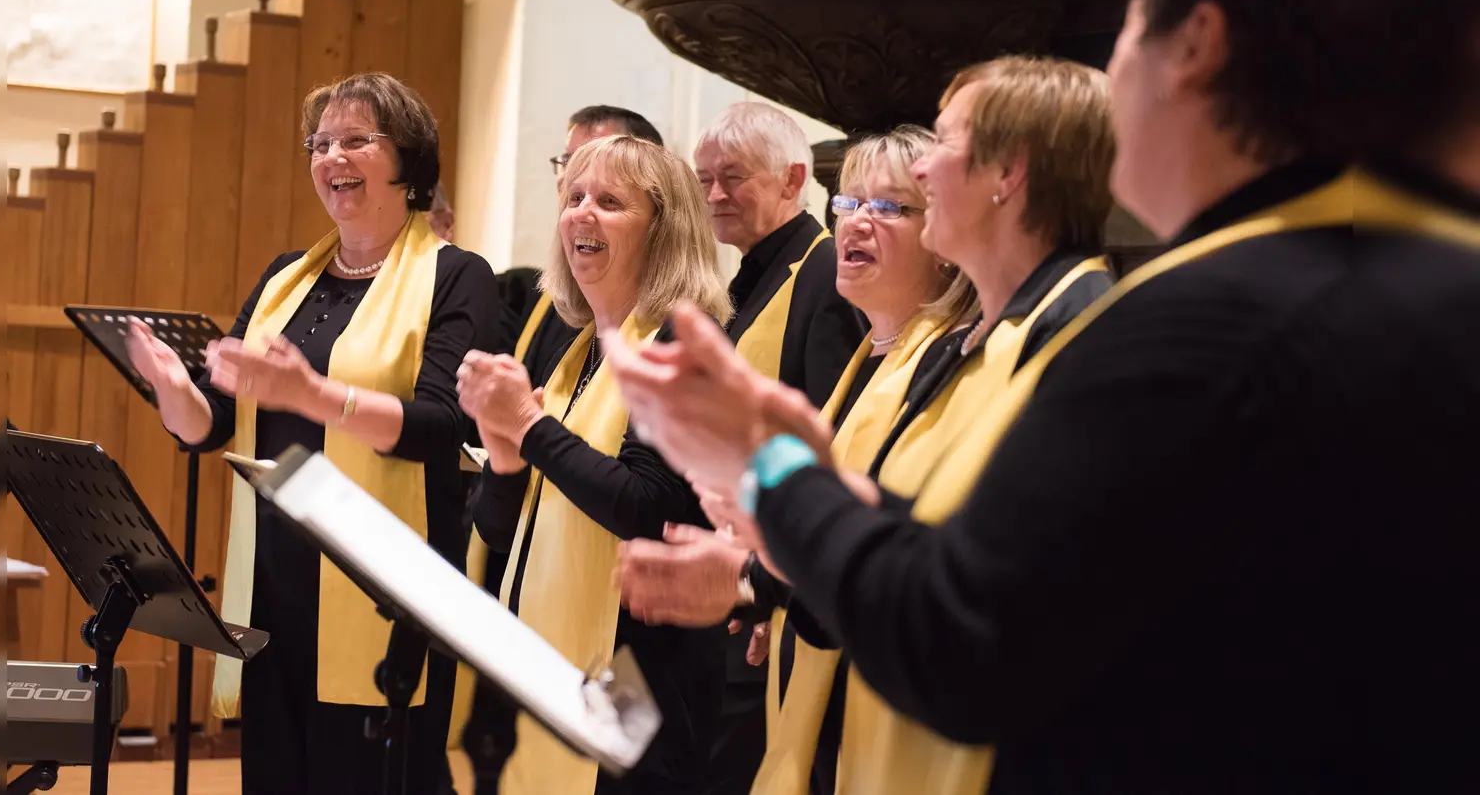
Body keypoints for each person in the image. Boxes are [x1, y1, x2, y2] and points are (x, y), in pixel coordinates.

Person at [603, 0, 1480, 790]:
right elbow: (1049, 574)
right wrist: (783, 556)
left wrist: (773, 468)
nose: (1110, 76)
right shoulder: (1430, 277)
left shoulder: (1205, 322)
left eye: (1131, 25)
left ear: (1196, 43)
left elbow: (964, 637)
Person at [622, 57, 1117, 794]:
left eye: (942, 147)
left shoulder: (1077, 336)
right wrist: (763, 570)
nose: (925, 176)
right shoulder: (975, 337)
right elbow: (903, 530)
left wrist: (769, 500)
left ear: (1007, 174)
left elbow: (975, 587)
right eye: (851, 201)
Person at [125, 72, 498, 795]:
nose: (332, 158)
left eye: (356, 140)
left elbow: (444, 425)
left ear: (408, 161)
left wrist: (316, 395)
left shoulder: (457, 277)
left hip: (385, 588)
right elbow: (212, 423)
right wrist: (171, 386)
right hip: (277, 585)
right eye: (320, 144)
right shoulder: (283, 280)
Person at [457, 134, 732, 795]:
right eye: (574, 197)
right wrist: (503, 459)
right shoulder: (578, 350)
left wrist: (528, 426)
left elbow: (646, 505)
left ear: (662, 231)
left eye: (610, 201)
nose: (581, 213)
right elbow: (501, 535)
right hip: (549, 666)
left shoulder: (683, 343)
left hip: (642, 679)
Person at [690, 101, 867, 794]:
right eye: (704, 179)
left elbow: (826, 437)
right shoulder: (751, 271)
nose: (713, 196)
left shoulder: (820, 276)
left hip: (771, 572)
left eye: (731, 178)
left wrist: (775, 583)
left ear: (794, 178)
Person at [495, 105, 667, 359]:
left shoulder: (669, 333)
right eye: (568, 162)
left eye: (594, 160)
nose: (571, 176)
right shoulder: (556, 295)